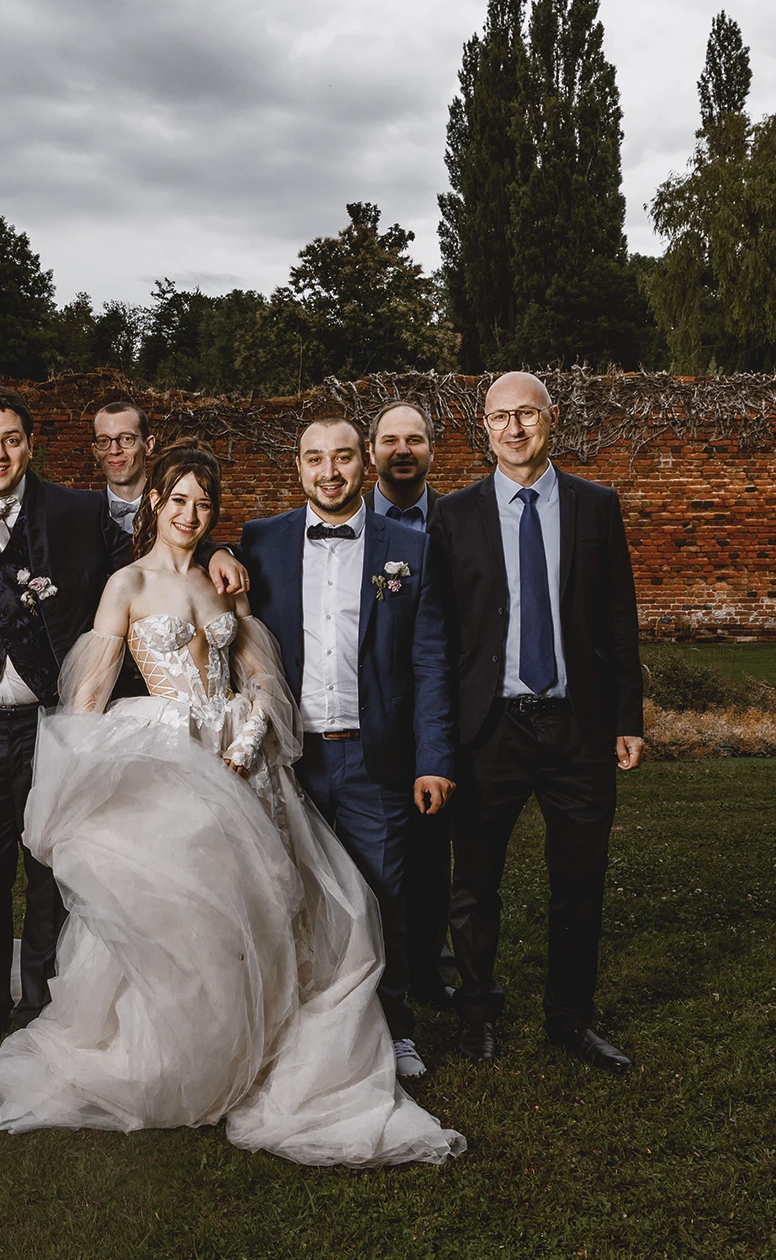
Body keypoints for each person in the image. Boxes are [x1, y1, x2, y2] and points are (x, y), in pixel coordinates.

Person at [0, 443, 464, 1167]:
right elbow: (91, 691)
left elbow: (259, 667)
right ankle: (190, 1053)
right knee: (189, 912)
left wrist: (252, 728)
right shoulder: (128, 584)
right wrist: (80, 768)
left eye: (203, 504)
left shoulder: (223, 579)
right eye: (177, 501)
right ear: (154, 503)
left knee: (271, 902)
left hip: (241, 756)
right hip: (172, 753)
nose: (189, 514)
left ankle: (264, 1042)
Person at [0, 385, 246, 1065]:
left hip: (52, 721)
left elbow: (155, 540)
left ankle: (44, 1002)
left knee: (55, 865)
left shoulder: (73, 510)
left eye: (11, 439)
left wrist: (212, 543)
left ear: (31, 445)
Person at [427, 371, 645, 1072]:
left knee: (580, 879)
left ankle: (570, 1018)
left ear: (552, 421)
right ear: (483, 428)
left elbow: (618, 617)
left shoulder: (594, 505)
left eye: (527, 415)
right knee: (475, 882)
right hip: (490, 727)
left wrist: (626, 718)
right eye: (500, 417)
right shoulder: (452, 516)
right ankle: (477, 1013)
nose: (513, 429)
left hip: (576, 724)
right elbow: (438, 632)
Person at [237, 416, 455, 1079]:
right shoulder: (261, 541)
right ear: (297, 468)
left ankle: (392, 1031)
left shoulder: (408, 550)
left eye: (341, 457)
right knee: (291, 895)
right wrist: (219, 552)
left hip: (373, 756)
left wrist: (433, 760)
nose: (328, 471)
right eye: (313, 459)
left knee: (378, 896)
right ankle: (297, 1028)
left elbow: (430, 664)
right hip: (289, 756)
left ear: (364, 461)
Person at [367, 400, 460, 1010]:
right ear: (372, 450)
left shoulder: (457, 522)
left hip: (438, 709)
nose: (403, 450)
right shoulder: (349, 521)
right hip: (366, 720)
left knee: (432, 858)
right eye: (390, 439)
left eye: (416, 440)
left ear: (432, 449)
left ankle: (429, 973)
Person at [91, 399, 156, 536]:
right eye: (104, 441)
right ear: (95, 451)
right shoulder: (84, 515)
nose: (114, 451)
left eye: (126, 439)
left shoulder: (175, 510)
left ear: (148, 445)